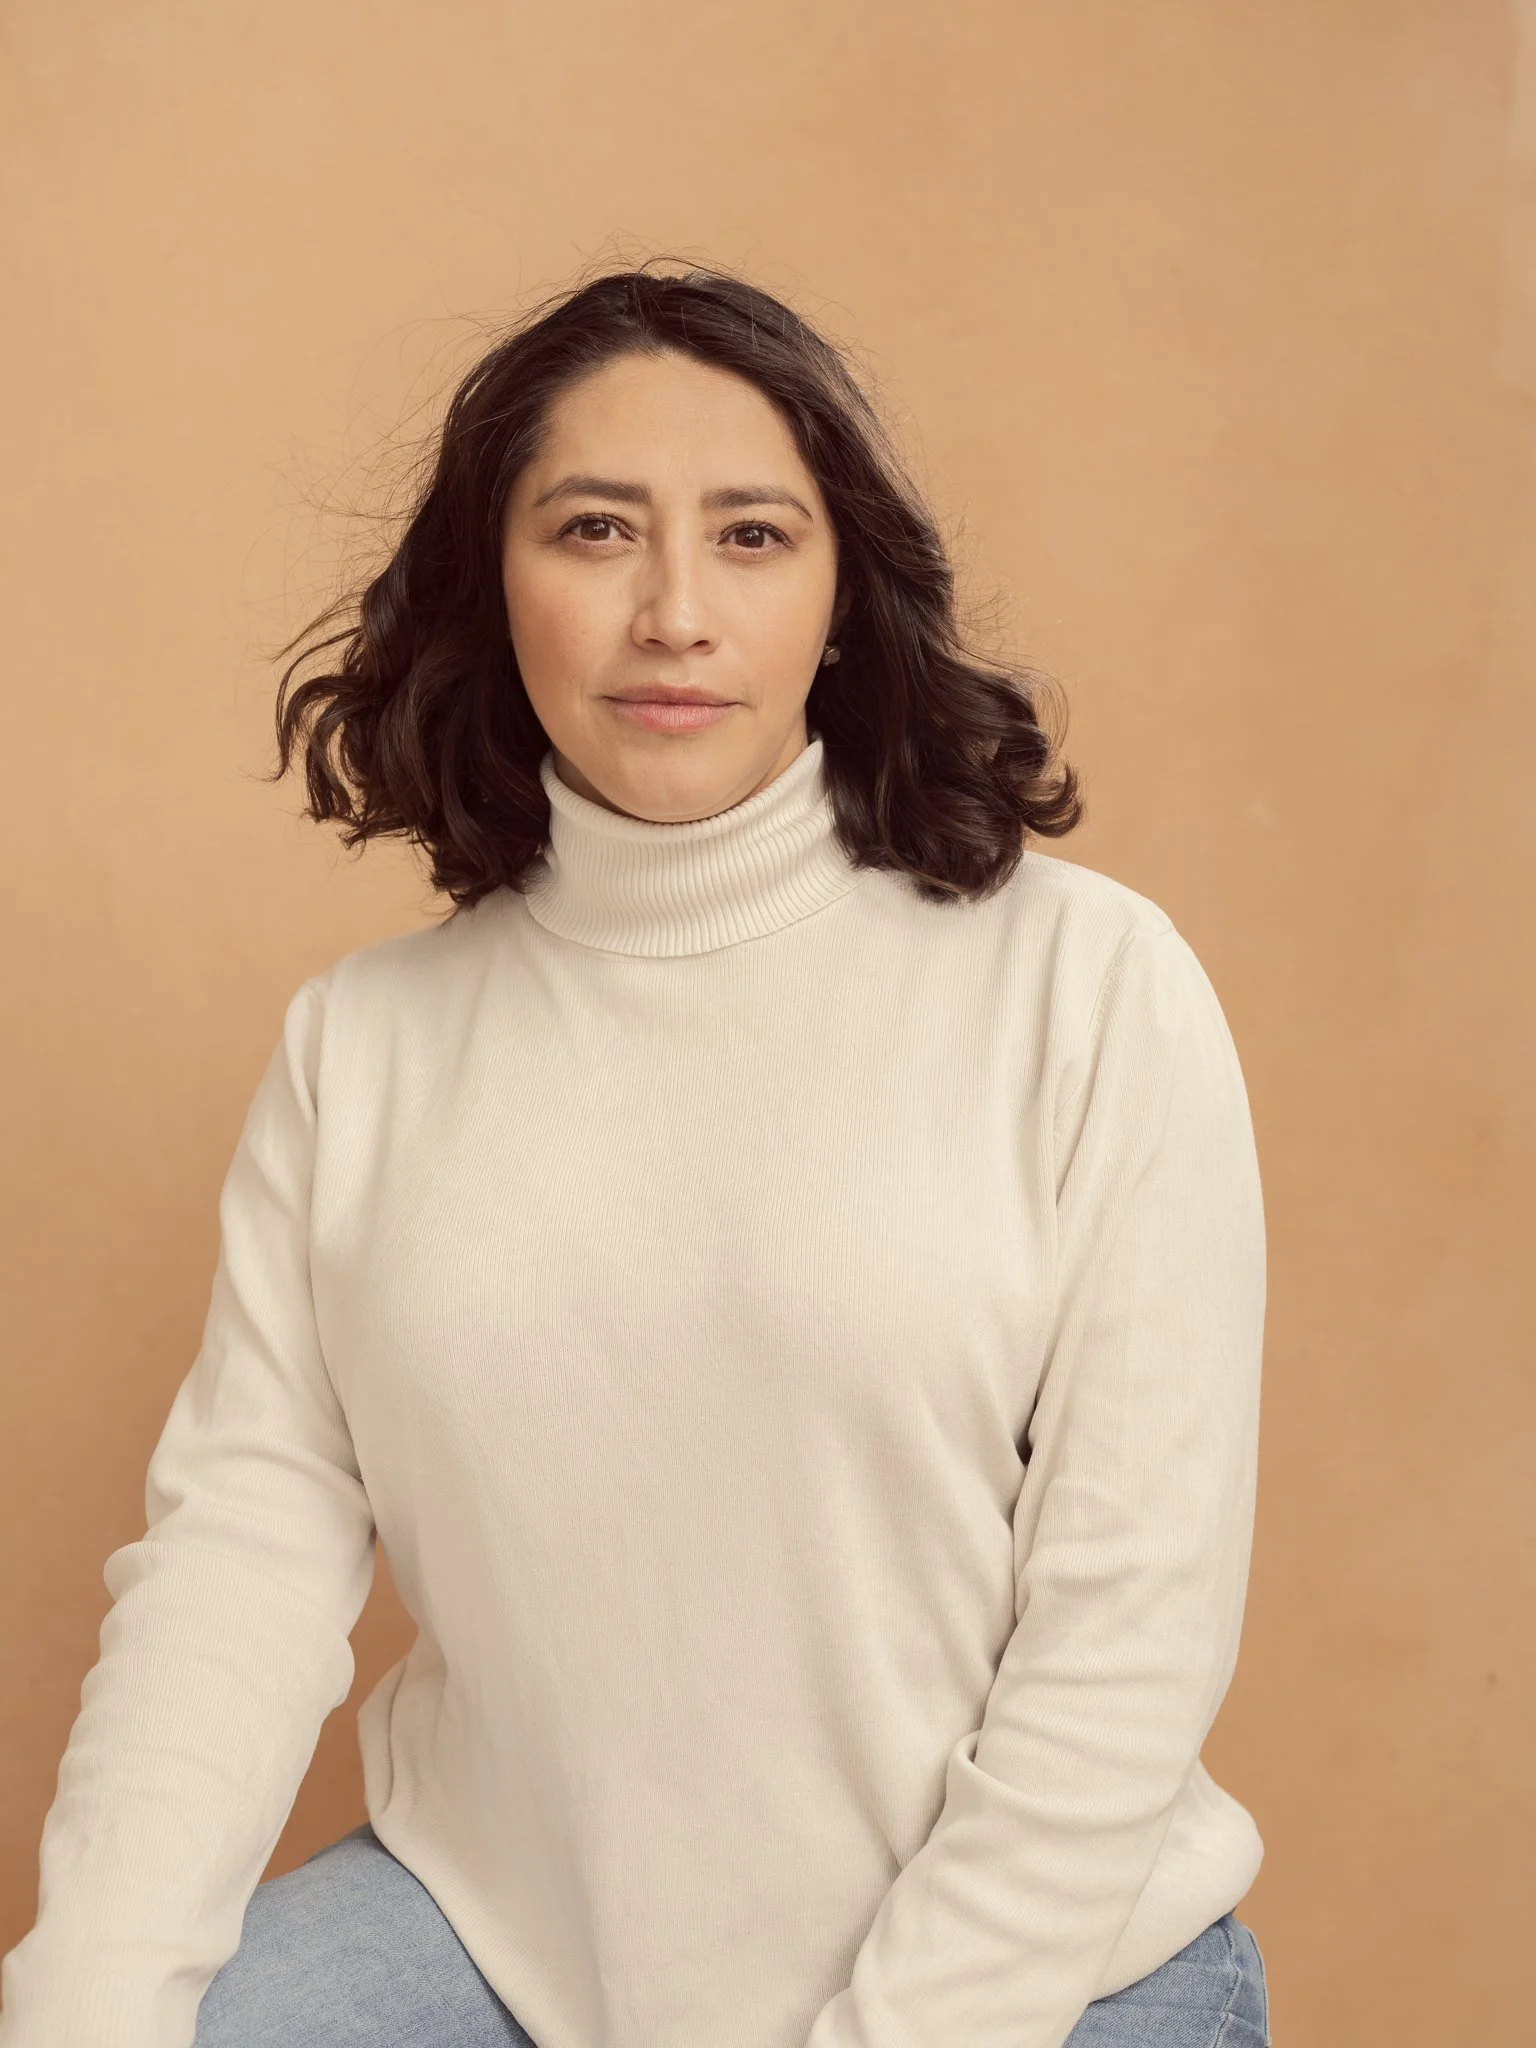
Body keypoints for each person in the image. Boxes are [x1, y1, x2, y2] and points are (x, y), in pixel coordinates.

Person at [0, 265, 1271, 2048]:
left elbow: (1128, 1629)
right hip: (503, 1948)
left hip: (1044, 1969)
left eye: (752, 536)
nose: (674, 611)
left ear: (842, 599)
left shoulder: (1088, 986)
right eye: (596, 529)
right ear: (489, 584)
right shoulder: (363, 1049)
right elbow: (236, 1582)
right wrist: (80, 2014)